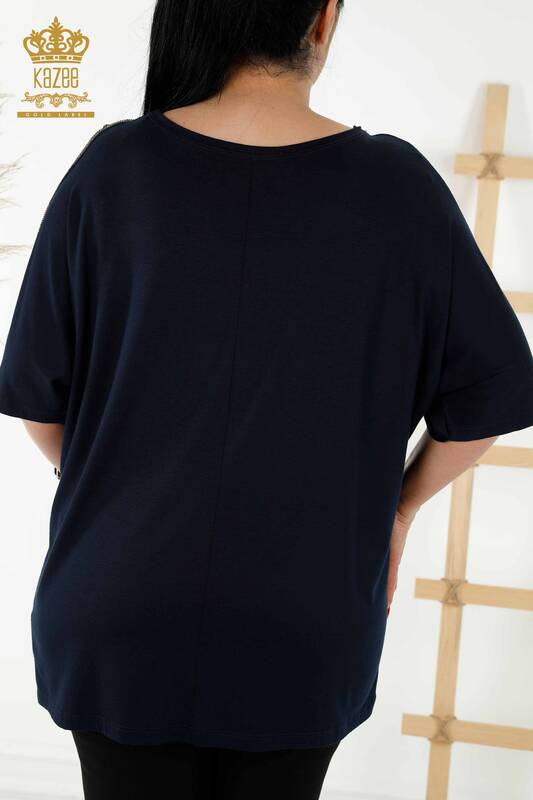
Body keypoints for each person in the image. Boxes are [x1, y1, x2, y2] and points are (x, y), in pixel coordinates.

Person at [1, 0, 532, 797]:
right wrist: (395, 513)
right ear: (322, 18)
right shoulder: (395, 188)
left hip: (117, 606)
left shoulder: (115, 168)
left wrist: (116, 488)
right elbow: (493, 390)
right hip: (304, 618)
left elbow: (38, 398)